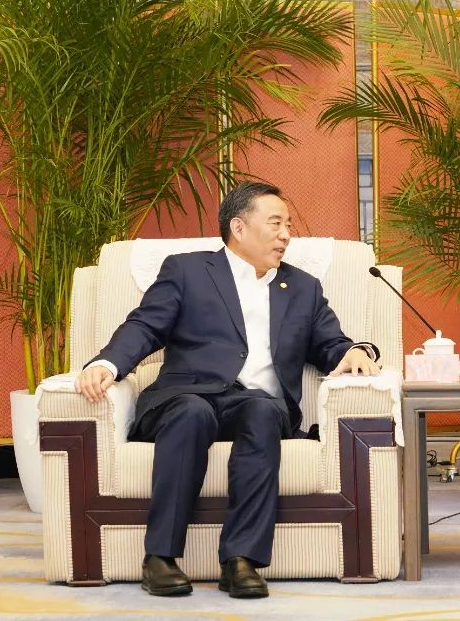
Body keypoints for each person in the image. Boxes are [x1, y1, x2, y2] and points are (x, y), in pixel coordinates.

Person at [76, 182, 380, 599]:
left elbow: (331, 344)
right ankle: (159, 558)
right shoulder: (187, 270)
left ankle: (241, 561)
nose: (286, 235)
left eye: (288, 225)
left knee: (264, 412)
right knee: (192, 414)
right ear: (239, 227)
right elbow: (145, 325)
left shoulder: (303, 288)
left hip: (254, 402)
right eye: (275, 224)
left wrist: (356, 351)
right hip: (186, 395)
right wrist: (107, 364)